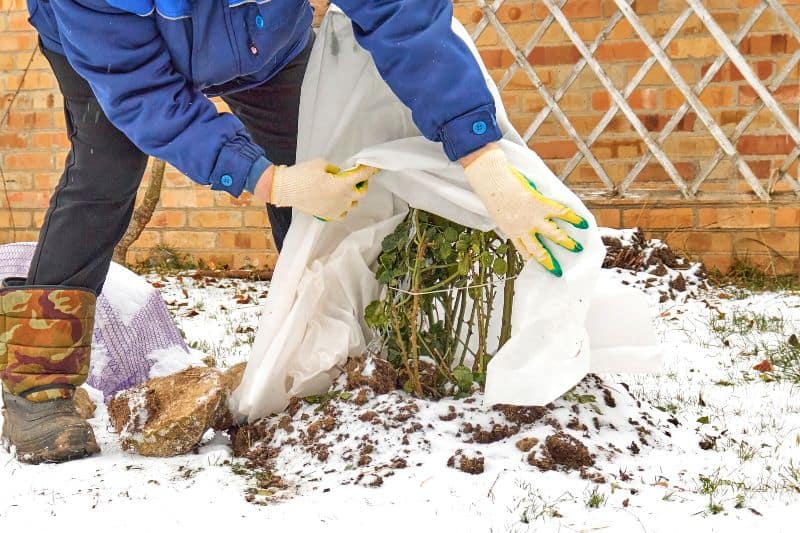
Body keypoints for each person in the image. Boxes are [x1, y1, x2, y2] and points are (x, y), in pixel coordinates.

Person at [0, 0, 586, 464]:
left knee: (310, 157)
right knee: (103, 173)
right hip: (116, 52)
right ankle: (37, 384)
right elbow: (144, 95)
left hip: (263, 44)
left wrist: (479, 152)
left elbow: (403, 18)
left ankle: (313, 346)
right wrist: (268, 181)